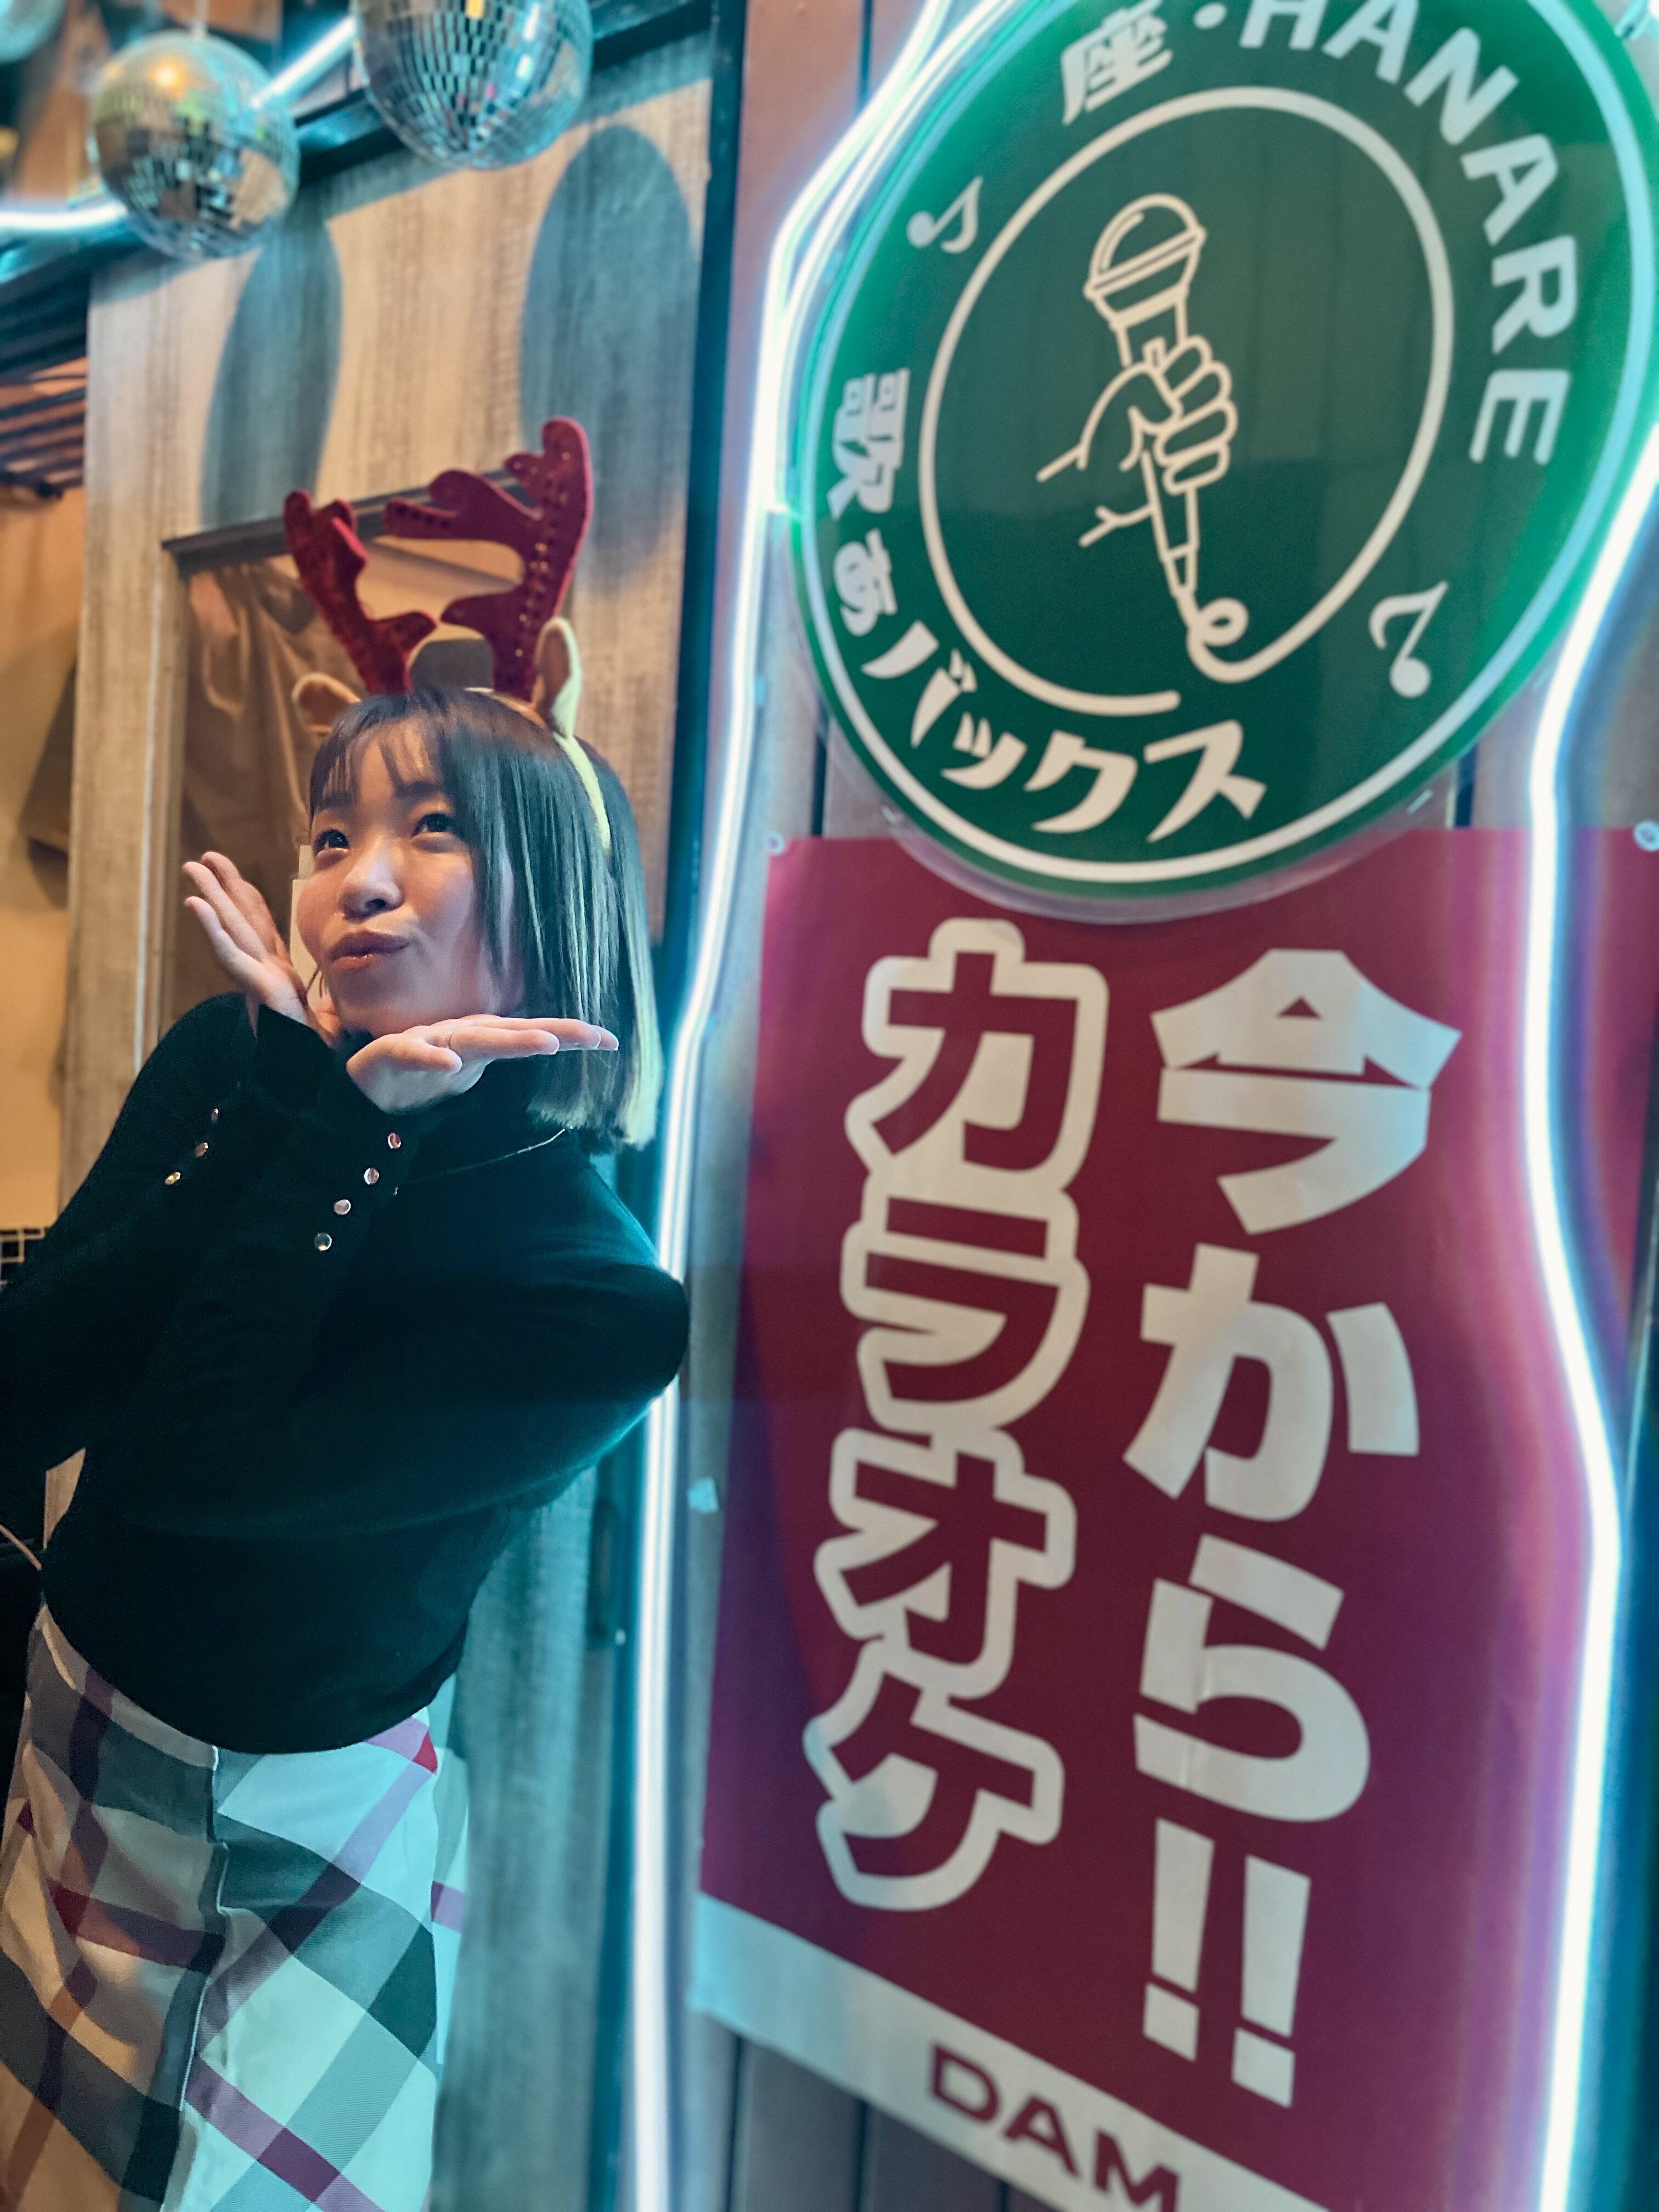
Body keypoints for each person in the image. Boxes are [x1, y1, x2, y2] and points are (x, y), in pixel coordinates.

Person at [0, 688, 688, 2210]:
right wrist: (295, 1107)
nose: (357, 880)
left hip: (305, 1843)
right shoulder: (234, 1062)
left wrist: (348, 1129)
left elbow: (194, 1474)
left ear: (560, 894)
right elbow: (26, 1400)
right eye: (331, 834)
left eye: (433, 829)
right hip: (70, 1740)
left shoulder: (599, 1301)